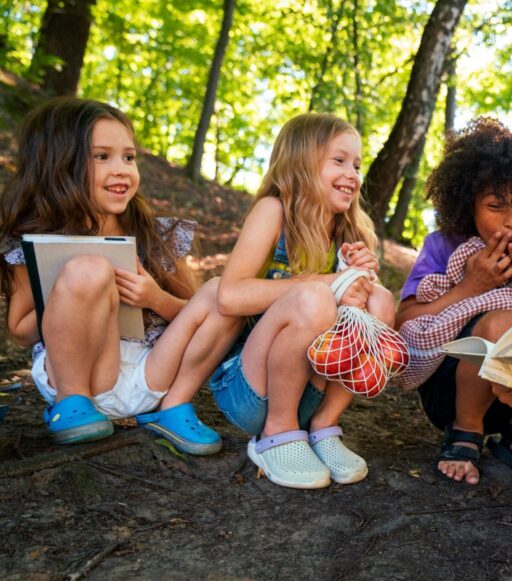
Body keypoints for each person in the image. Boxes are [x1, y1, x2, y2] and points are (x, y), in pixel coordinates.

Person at [0, 97, 239, 453]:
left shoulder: (151, 234)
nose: (122, 169)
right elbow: (20, 331)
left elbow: (194, 313)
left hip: (153, 374)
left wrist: (153, 298)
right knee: (89, 269)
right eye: (102, 157)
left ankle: (174, 407)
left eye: (129, 157)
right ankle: (70, 403)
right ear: (59, 165)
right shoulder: (35, 237)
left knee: (224, 294)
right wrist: (71, 291)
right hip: (81, 371)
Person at [212, 113, 394, 490]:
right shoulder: (273, 212)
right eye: (339, 161)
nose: (353, 174)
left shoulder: (349, 231)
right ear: (301, 161)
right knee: (312, 296)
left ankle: (324, 424)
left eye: (357, 165)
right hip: (252, 389)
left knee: (381, 300)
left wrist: (357, 282)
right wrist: (331, 282)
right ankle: (274, 434)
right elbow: (230, 296)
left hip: (310, 394)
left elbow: (356, 314)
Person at [395, 119, 512, 485]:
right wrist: (470, 287)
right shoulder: (443, 244)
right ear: (469, 203)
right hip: (450, 390)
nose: (511, 223)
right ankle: (467, 429)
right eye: (495, 206)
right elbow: (404, 321)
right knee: (500, 322)